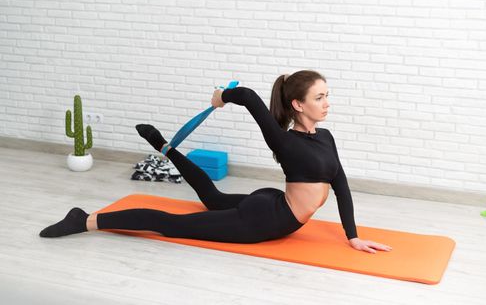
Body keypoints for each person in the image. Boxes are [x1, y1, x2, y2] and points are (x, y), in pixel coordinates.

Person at [40, 70, 392, 254]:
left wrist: (353, 236)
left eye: (327, 95)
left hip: (272, 204)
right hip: (265, 221)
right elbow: (249, 96)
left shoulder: (325, 137)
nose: (327, 102)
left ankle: (164, 148)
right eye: (320, 97)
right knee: (170, 224)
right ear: (298, 105)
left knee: (212, 199)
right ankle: (85, 220)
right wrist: (221, 97)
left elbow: (342, 186)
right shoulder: (285, 142)